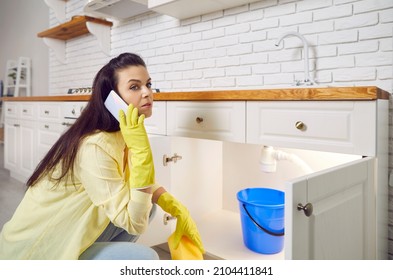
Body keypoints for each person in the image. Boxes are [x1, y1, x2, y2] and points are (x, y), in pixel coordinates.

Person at [0, 53, 204, 260]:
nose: (147, 93)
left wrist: (171, 203)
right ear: (113, 99)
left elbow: (130, 179)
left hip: (70, 230)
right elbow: (135, 222)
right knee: (145, 257)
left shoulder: (123, 133)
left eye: (148, 84)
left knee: (149, 205)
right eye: (135, 87)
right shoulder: (96, 146)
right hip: (37, 253)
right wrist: (142, 152)